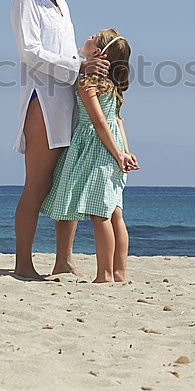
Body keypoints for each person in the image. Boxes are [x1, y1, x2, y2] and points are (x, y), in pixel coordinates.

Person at [10, 0, 111, 279]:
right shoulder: (27, 0)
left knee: (67, 181)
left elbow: (66, 52)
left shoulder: (61, 5)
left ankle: (63, 261)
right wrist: (79, 68)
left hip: (70, 99)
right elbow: (31, 52)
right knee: (37, 185)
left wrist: (89, 66)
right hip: (42, 99)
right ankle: (23, 264)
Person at [40, 29, 140, 283]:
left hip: (95, 147)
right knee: (115, 212)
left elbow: (99, 122)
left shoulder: (89, 81)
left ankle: (105, 274)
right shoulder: (114, 84)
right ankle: (119, 273)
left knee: (100, 214)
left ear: (97, 53)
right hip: (113, 147)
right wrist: (125, 151)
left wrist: (118, 154)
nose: (88, 36)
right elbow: (117, 120)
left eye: (93, 37)